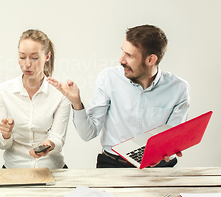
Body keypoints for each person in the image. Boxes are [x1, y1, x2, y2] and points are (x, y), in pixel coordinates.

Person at [48, 25, 190, 168]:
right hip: (113, 164)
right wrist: (76, 103)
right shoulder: (108, 78)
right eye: (123, 52)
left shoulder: (179, 89)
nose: (121, 60)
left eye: (130, 55)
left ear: (151, 60)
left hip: (158, 167)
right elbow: (88, 134)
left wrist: (168, 152)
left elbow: (173, 138)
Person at [0, 29, 71, 169]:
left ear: (47, 56)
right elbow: (0, 143)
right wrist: (5, 134)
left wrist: (48, 145)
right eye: (22, 57)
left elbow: (58, 140)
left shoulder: (60, 94)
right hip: (14, 169)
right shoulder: (3, 91)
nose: (27, 64)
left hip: (51, 169)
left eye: (34, 58)